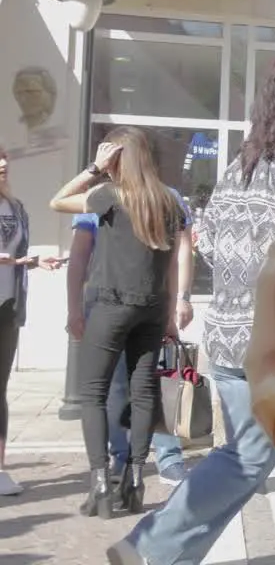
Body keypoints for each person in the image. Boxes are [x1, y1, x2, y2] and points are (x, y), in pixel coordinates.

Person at [108, 54, 275, 565]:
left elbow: (212, 246)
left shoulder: (236, 169)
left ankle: (152, 546)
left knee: (246, 455)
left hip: (230, 342)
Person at [49, 127, 186, 517]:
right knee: (143, 394)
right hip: (152, 308)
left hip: (111, 304)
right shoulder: (171, 202)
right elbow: (172, 264)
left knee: (93, 393)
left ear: (118, 159)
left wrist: (95, 167)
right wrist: (172, 313)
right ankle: (137, 479)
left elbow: (57, 201)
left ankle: (100, 486)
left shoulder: (110, 196)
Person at [67, 186, 194, 488]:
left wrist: (182, 298)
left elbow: (182, 249)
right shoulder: (100, 197)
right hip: (108, 302)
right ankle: (122, 459)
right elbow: (80, 254)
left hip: (149, 303)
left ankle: (166, 456)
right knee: (116, 387)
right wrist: (75, 307)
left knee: (154, 384)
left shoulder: (167, 196)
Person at [0, 142, 63, 496]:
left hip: (8, 307)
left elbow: (16, 254)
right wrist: (15, 262)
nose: (3, 163)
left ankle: (0, 469)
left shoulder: (16, 207)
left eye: (5, 158)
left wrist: (36, 261)